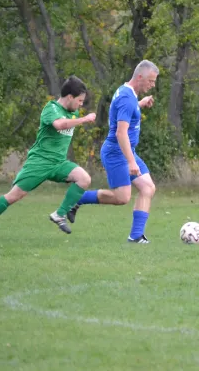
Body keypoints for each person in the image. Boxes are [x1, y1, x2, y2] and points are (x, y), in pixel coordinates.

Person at [0, 75, 96, 241]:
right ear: (69, 97)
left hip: (58, 163)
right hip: (39, 162)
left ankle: (59, 214)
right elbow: (60, 124)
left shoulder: (72, 112)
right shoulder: (50, 109)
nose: (81, 104)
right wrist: (84, 120)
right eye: (80, 100)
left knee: (84, 179)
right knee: (14, 196)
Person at [67, 60, 159, 243]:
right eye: (150, 81)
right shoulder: (126, 98)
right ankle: (78, 198)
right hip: (117, 153)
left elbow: (125, 111)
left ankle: (136, 236)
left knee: (148, 188)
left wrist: (140, 103)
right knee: (122, 197)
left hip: (126, 151)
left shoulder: (128, 93)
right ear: (140, 77)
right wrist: (131, 162)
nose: (153, 85)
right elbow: (120, 132)